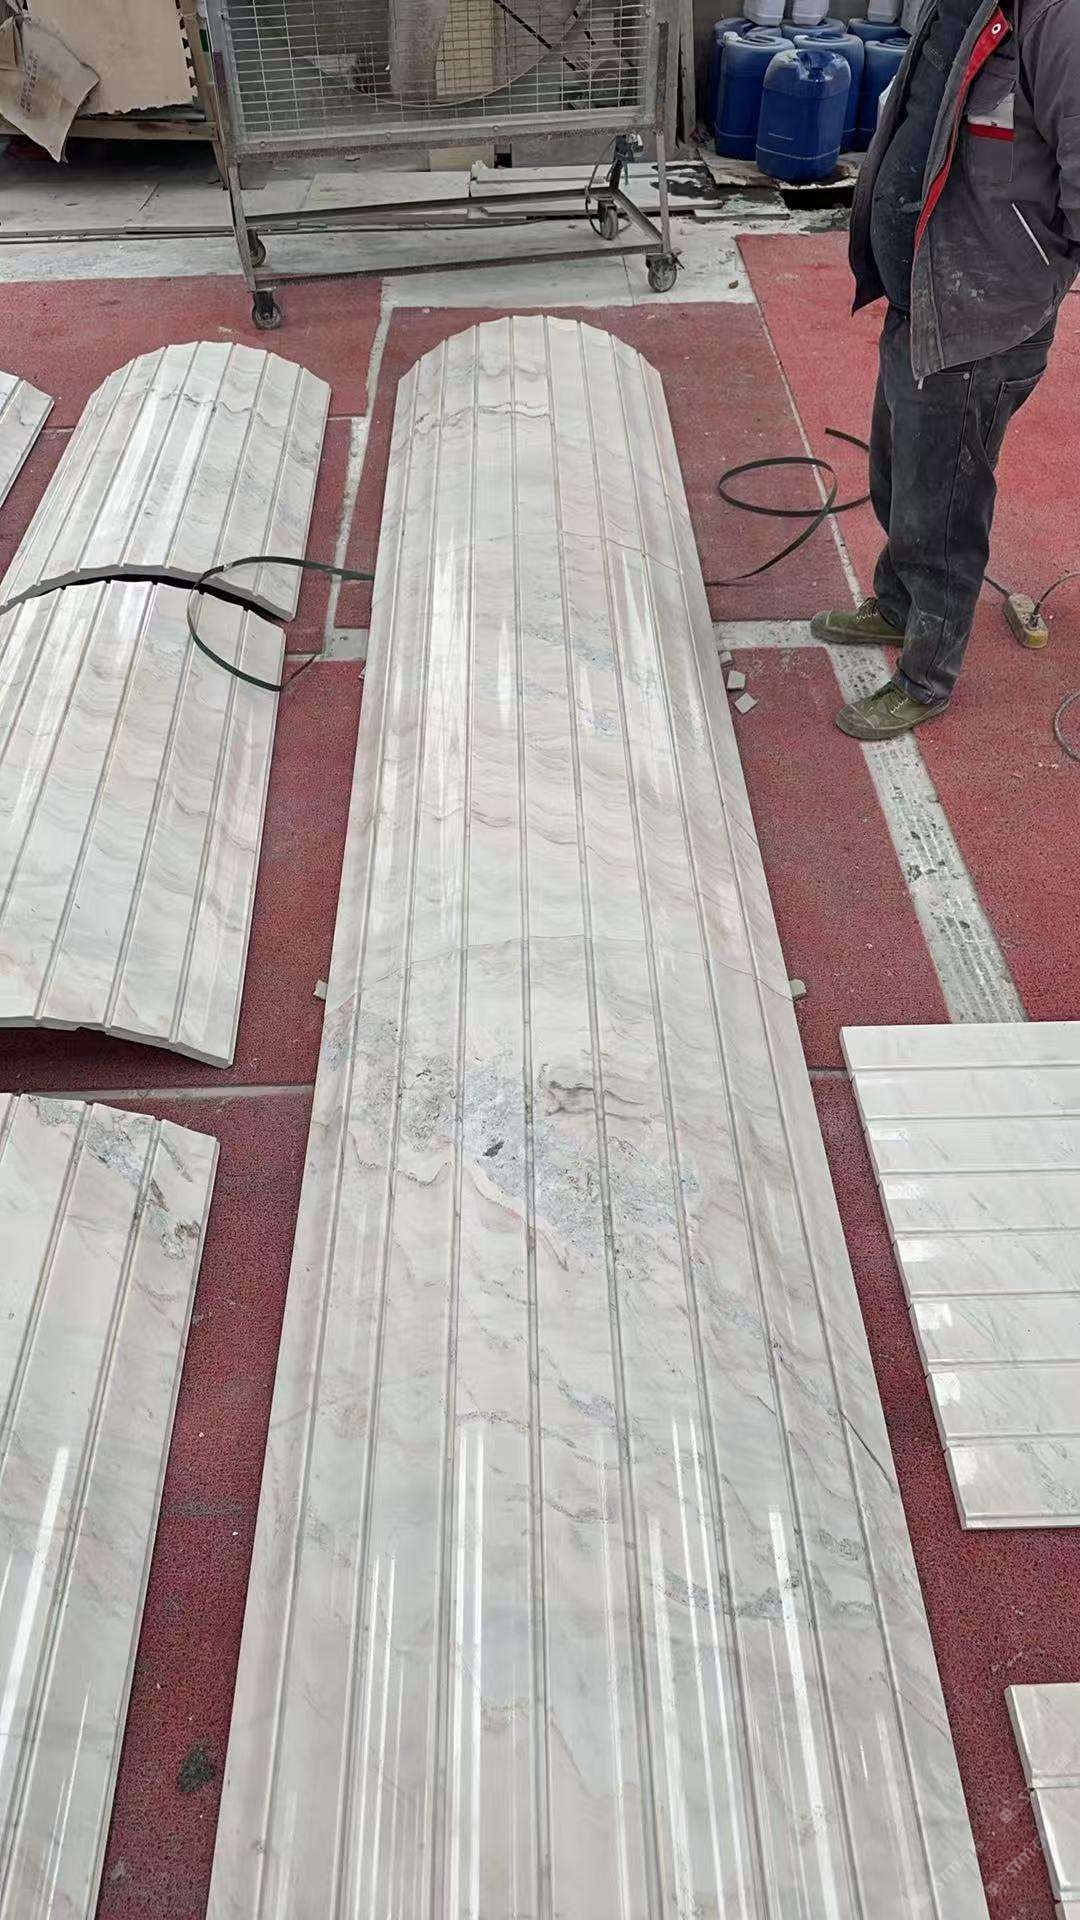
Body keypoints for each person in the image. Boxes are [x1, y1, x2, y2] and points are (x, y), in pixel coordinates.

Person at [811, 0, 1080, 740]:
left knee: (945, 512)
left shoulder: (1059, 20)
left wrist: (1029, 267)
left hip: (982, 315)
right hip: (923, 292)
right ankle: (898, 607)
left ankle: (926, 676)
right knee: (898, 476)